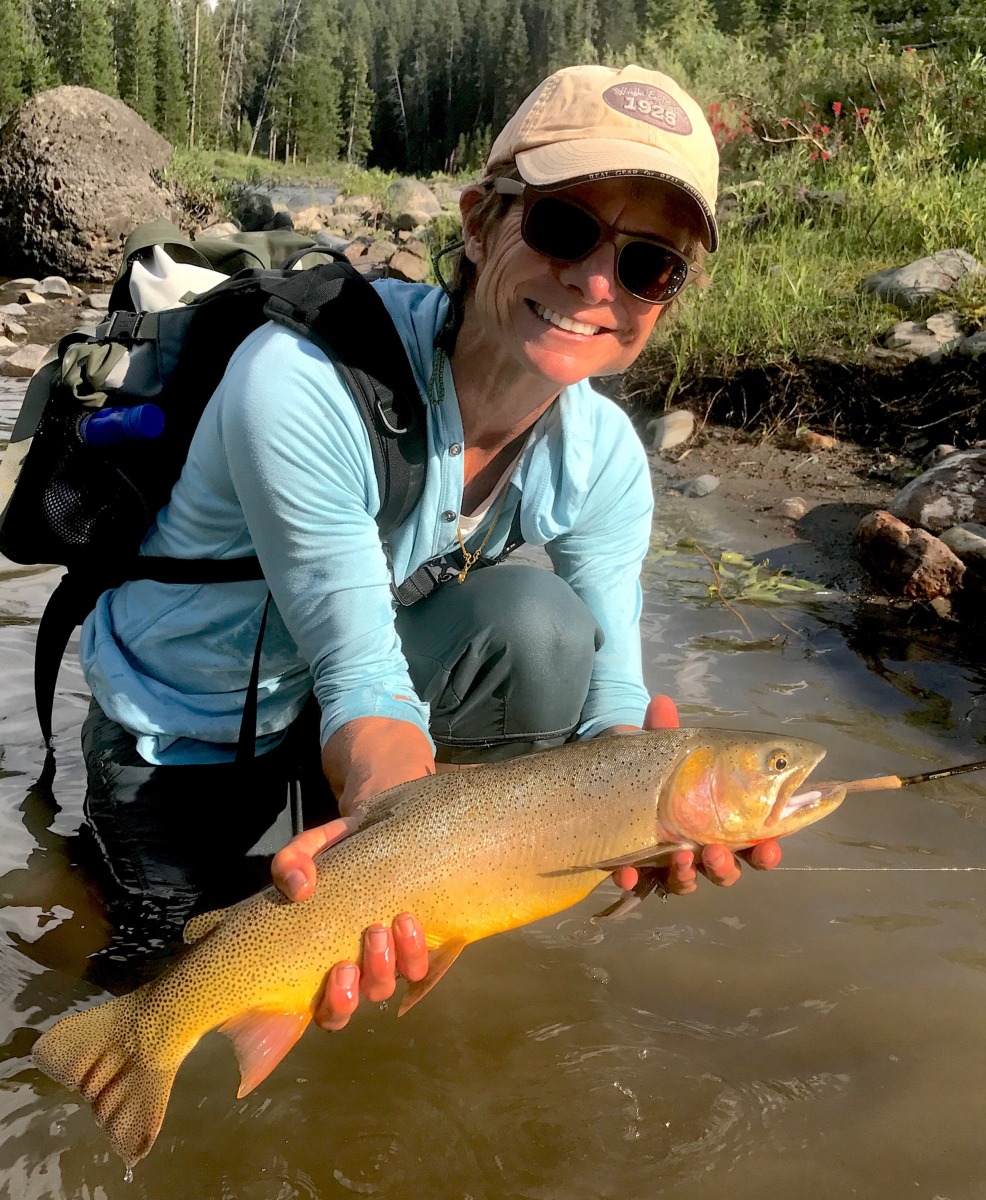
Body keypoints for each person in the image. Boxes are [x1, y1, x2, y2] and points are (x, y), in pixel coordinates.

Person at [76, 63, 782, 1023]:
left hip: (349, 721)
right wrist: (393, 824)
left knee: (541, 626)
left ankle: (404, 888)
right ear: (481, 222)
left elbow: (614, 703)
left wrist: (653, 817)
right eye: (564, 226)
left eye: (648, 262)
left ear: (668, 297)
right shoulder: (302, 378)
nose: (594, 280)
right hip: (186, 725)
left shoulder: (605, 457)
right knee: (161, 980)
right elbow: (362, 674)